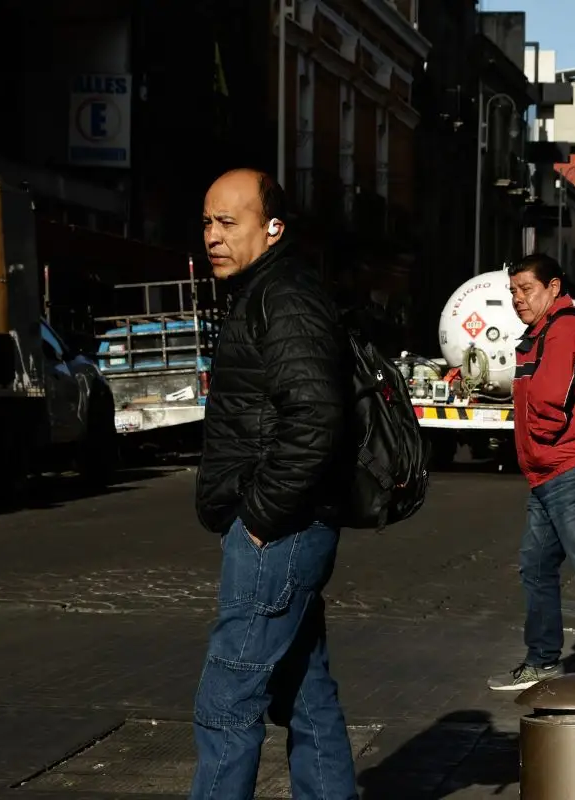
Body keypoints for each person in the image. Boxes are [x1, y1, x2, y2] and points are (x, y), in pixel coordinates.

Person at [191, 169, 358, 800]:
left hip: (279, 532)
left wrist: (260, 517)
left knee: (228, 696)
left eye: (228, 223)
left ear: (273, 228)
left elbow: (315, 415)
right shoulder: (268, 290)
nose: (212, 235)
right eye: (207, 221)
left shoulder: (281, 297)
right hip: (286, 526)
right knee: (305, 694)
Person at [486, 253, 575, 692]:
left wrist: (542, 443)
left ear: (553, 287)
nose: (517, 299)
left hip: (574, 464)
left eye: (526, 289)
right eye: (512, 291)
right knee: (536, 565)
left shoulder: (566, 329)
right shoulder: (539, 334)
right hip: (551, 470)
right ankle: (542, 661)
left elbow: (547, 401)